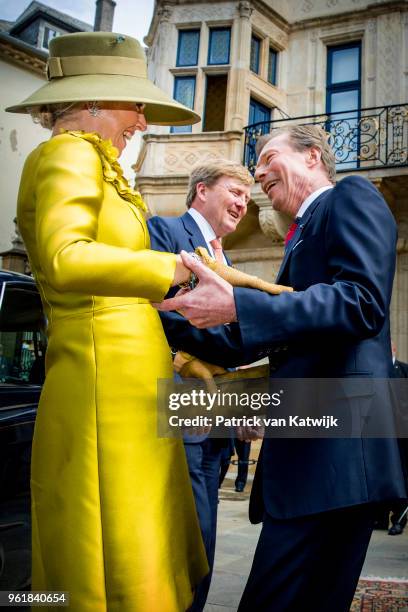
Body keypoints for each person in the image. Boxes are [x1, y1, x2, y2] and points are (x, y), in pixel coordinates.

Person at [156, 124, 407, 611]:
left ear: (313, 157)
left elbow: (362, 303)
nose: (256, 171)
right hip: (316, 460)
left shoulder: (349, 195)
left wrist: (240, 306)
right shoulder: (301, 236)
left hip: (339, 455)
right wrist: (170, 311)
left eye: (269, 155)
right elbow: (254, 336)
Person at [7, 31, 209, 610]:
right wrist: (168, 267)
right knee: (117, 554)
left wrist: (178, 358)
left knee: (139, 542)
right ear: (93, 100)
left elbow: (110, 291)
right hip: (102, 390)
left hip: (124, 384)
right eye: (136, 103)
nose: (143, 120)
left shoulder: (96, 162)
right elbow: (67, 258)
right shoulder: (68, 153)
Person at [148, 160, 253, 611]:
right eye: (235, 192)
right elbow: (161, 309)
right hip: (179, 406)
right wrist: (236, 339)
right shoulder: (164, 232)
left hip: (217, 419)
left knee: (204, 533)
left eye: (247, 199)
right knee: (189, 531)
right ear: (202, 190)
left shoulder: (227, 257)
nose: (242, 204)